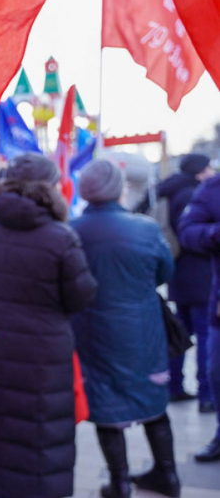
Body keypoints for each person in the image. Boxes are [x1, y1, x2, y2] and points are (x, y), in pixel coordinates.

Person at [0, 154, 97, 498]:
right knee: (40, 441)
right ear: (49, 188)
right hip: (43, 359)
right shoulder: (60, 236)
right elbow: (81, 297)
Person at [70, 159, 177, 498]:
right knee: (153, 400)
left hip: (93, 330)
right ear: (119, 188)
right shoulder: (145, 228)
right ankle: (168, 475)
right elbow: (165, 272)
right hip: (142, 329)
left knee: (106, 404)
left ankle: (119, 483)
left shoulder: (71, 230)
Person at [157, 153, 215, 410]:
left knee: (181, 332)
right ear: (200, 171)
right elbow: (191, 236)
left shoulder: (170, 191)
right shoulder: (192, 194)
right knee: (206, 337)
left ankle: (175, 386)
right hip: (201, 277)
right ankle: (207, 395)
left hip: (179, 275)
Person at [178, 165, 220, 462]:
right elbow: (187, 231)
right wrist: (215, 233)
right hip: (214, 300)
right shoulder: (212, 188)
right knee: (216, 370)